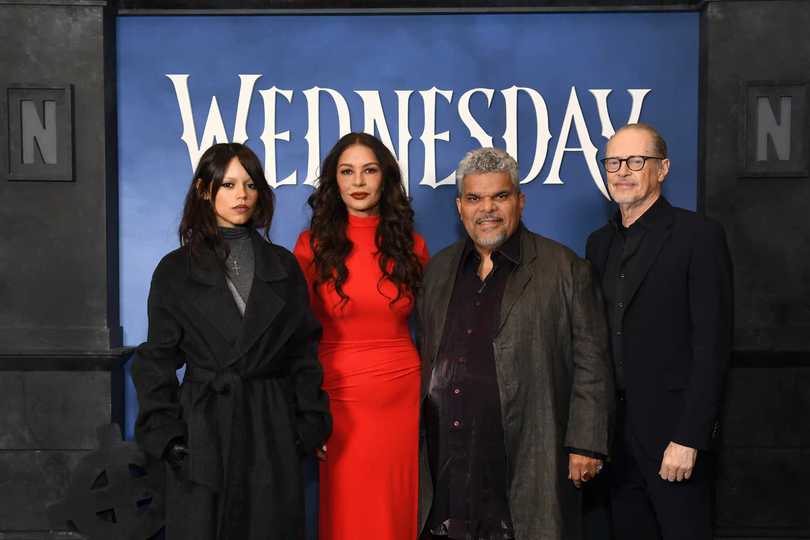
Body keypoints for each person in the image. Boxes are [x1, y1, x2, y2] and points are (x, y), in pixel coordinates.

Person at [132, 143, 331, 540]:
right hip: (204, 428)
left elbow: (302, 352)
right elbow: (156, 358)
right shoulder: (174, 270)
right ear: (205, 191)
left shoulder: (284, 265)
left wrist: (306, 425)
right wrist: (169, 435)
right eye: (228, 184)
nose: (241, 195)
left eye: (250, 184)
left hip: (269, 424)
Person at [417, 147, 614, 540]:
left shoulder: (564, 268)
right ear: (460, 207)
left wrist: (587, 444)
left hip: (526, 451)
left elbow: (592, 361)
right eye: (474, 198)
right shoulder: (439, 269)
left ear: (519, 201)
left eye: (499, 196)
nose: (486, 208)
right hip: (450, 455)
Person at [585, 123, 733, 540]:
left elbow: (712, 346)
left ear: (662, 169)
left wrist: (690, 436)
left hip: (674, 441)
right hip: (615, 444)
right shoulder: (598, 244)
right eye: (613, 162)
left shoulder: (698, 237)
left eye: (636, 161)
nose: (622, 171)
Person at [293, 132, 429, 539]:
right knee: (347, 515)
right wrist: (309, 412)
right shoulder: (311, 246)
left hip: (402, 400)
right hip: (338, 400)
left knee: (396, 510)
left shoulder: (411, 245)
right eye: (347, 172)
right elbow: (297, 337)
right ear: (333, 182)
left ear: (384, 178)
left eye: (369, 171)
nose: (358, 182)